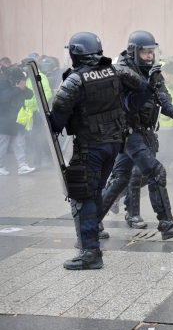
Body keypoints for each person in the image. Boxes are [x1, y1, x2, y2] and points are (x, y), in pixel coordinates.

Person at [49, 31, 154, 269]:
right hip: (114, 145)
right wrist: (128, 109)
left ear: (76, 52)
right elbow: (145, 88)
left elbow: (57, 120)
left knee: (83, 195)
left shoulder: (75, 80)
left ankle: (90, 254)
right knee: (95, 192)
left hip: (91, 147)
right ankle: (92, 239)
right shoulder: (115, 70)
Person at [100, 31, 173, 237]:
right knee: (156, 172)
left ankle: (92, 221)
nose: (150, 56)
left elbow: (161, 93)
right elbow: (131, 105)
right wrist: (148, 86)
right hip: (129, 132)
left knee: (120, 178)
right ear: (134, 51)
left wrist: (172, 109)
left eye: (152, 52)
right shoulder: (123, 71)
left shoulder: (148, 69)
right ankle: (166, 223)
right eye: (145, 52)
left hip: (140, 132)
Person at [0, 68, 35, 175]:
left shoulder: (19, 85)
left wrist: (23, 88)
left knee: (19, 143)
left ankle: (22, 165)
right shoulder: (3, 84)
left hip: (18, 120)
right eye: (20, 80)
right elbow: (5, 97)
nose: (21, 82)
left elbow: (30, 95)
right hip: (5, 119)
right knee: (2, 144)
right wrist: (18, 89)